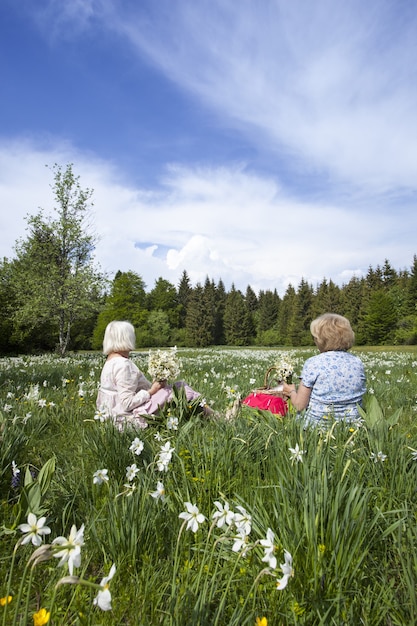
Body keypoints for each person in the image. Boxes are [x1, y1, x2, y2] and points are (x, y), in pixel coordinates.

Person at [96, 320, 205, 429]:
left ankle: (203, 413)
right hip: (127, 419)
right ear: (126, 338)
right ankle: (212, 415)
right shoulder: (124, 365)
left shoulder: (110, 362)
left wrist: (155, 385)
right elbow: (127, 403)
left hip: (110, 417)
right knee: (181, 388)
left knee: (173, 389)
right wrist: (151, 391)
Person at [282, 313, 366, 426]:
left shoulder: (313, 363)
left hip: (318, 427)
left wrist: (291, 391)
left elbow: (299, 406)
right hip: (352, 426)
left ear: (321, 340)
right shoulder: (357, 362)